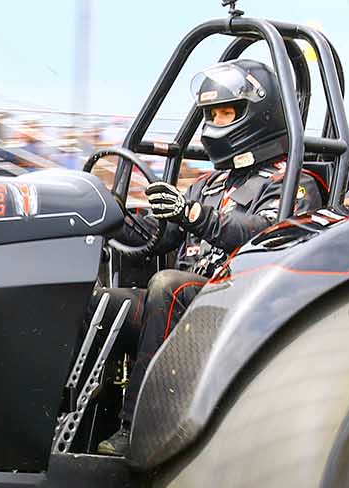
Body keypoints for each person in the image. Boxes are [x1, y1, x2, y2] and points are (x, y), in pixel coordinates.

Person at [101, 58, 326, 456]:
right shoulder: (207, 183)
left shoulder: (294, 183)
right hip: (184, 304)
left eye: (227, 111)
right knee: (100, 303)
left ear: (258, 113)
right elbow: (159, 237)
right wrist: (109, 216)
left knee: (168, 286)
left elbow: (268, 235)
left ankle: (135, 429)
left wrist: (195, 215)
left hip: (240, 309)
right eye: (213, 113)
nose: (218, 121)